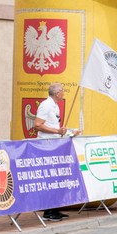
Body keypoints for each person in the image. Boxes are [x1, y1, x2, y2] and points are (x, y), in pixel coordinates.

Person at [36, 83, 78, 221]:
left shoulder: (55, 106)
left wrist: (68, 132)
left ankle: (54, 208)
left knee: (56, 177)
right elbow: (37, 125)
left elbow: (55, 127)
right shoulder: (46, 105)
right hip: (47, 144)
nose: (64, 93)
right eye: (63, 91)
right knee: (50, 177)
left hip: (54, 144)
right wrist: (57, 131)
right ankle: (48, 210)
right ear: (58, 93)